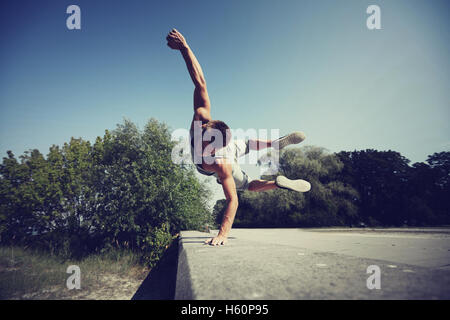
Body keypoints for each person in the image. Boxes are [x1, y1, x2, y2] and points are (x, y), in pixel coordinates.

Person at [166, 29, 311, 246]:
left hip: (228, 155)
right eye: (206, 143)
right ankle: (275, 160)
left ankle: (276, 164)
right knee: (248, 145)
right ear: (205, 127)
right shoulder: (201, 117)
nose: (207, 149)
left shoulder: (221, 162)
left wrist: (222, 234)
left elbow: (232, 200)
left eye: (211, 148)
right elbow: (200, 82)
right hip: (232, 146)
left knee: (246, 186)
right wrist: (185, 48)